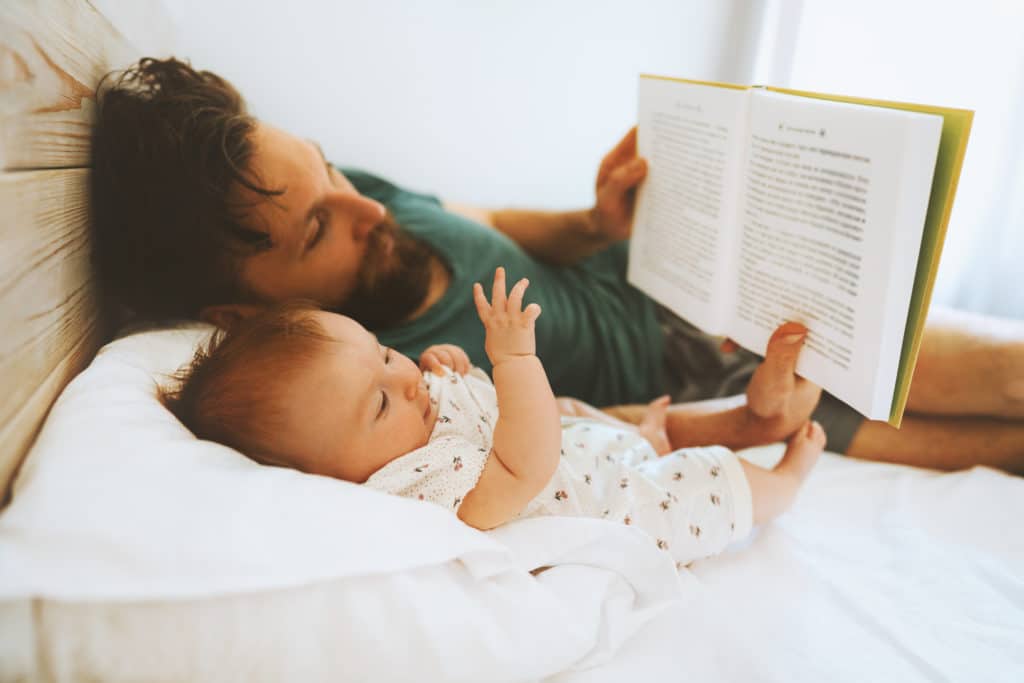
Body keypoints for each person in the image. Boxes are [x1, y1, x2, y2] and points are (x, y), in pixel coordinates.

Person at [91, 57, 1024, 474]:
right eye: (319, 228)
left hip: (682, 278)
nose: (368, 206)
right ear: (242, 309)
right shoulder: (351, 373)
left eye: (327, 166)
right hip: (709, 374)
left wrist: (591, 219)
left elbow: (490, 219)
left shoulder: (363, 201)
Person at [161, 268, 826, 566]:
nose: (404, 375)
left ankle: (645, 437)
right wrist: (510, 362)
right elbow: (522, 461)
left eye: (386, 352)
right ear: (334, 477)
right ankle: (782, 484)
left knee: (576, 415)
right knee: (709, 480)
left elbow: (479, 415)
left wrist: (463, 374)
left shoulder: (409, 423)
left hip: (587, 452)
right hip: (621, 508)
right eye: (381, 400)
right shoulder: (417, 490)